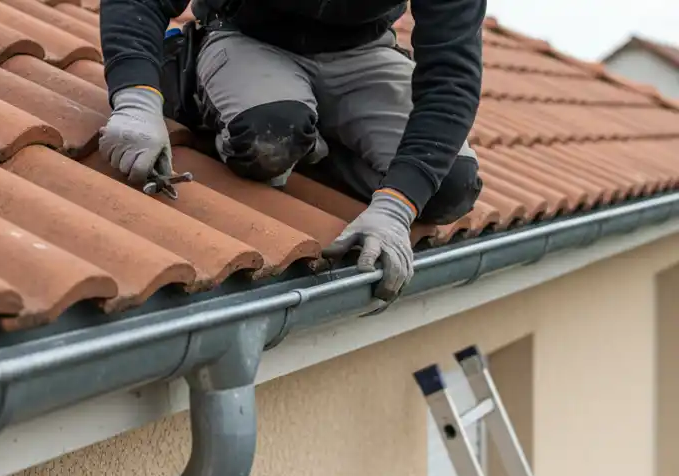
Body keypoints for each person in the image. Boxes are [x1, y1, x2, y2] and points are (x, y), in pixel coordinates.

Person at [98, 0, 486, 301]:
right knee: (268, 139)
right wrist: (137, 98)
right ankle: (210, 90)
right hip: (249, 36)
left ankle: (317, 139)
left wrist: (396, 207)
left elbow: (450, 79)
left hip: (363, 52)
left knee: (446, 186)